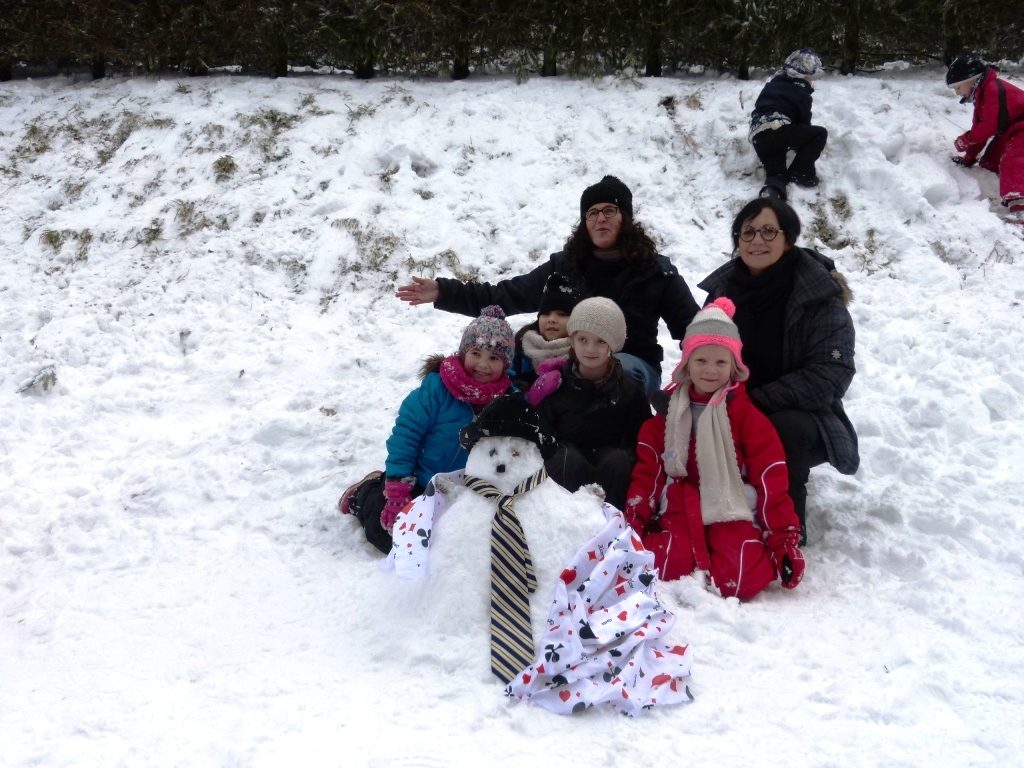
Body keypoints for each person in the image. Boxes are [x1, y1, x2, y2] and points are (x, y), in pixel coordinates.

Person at [395, 175, 700, 397]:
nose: (600, 219)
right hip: (569, 363)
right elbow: (505, 295)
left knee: (617, 366)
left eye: (610, 210)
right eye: (592, 213)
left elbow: (694, 329)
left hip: (632, 366)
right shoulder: (566, 265)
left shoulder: (655, 271)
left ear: (626, 218)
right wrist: (444, 291)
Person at [698, 197, 858, 545]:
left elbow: (831, 373)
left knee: (785, 428)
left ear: (789, 239)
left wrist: (754, 403)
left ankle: (785, 527)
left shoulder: (818, 295)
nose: (757, 240)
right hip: (729, 405)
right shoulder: (722, 291)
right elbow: (700, 350)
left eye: (769, 231)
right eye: (748, 232)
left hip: (799, 414)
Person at [625, 298, 804, 600]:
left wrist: (783, 542)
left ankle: (738, 549)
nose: (710, 370)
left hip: (729, 500)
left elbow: (770, 480)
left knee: (740, 577)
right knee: (665, 563)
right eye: (701, 361)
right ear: (686, 363)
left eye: (720, 362)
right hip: (680, 500)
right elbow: (648, 473)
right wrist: (635, 521)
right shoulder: (667, 415)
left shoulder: (747, 418)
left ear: (735, 366)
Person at [338, 305, 514, 553]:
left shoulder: (506, 401)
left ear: (505, 364)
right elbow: (405, 436)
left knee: (455, 547)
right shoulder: (436, 390)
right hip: (419, 482)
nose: (483, 364)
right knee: (392, 538)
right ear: (463, 353)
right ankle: (365, 493)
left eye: (494, 358)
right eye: (476, 353)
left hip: (465, 492)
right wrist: (398, 488)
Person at [530, 297, 651, 511]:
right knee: (566, 457)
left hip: (610, 472)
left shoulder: (629, 391)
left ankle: (612, 521)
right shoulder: (556, 385)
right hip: (568, 469)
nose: (590, 348)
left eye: (600, 341)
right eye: (583, 339)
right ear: (572, 340)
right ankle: (562, 516)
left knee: (618, 460)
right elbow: (541, 436)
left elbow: (640, 442)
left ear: (612, 344)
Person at [947, 54, 1024, 224]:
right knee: (989, 163)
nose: (957, 92)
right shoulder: (981, 96)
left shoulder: (993, 89)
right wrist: (968, 158)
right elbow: (979, 131)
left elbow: (989, 127)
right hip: (1010, 131)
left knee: (1012, 160)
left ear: (971, 80)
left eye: (958, 87)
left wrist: (966, 139)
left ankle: (1020, 207)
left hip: (1021, 128)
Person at [749, 48, 827, 201]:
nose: (812, 82)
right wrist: (801, 146)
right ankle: (801, 174)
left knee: (776, 173)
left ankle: (772, 192)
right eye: (811, 78)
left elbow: (760, 106)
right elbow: (804, 122)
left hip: (759, 135)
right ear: (802, 76)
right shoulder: (801, 91)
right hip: (780, 131)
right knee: (820, 133)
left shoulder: (772, 85)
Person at [509, 272, 581, 390]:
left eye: (562, 314)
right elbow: (511, 381)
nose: (551, 319)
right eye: (546, 313)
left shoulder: (584, 352)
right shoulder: (523, 346)